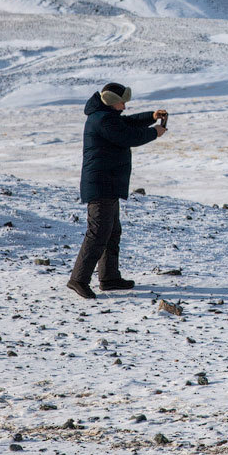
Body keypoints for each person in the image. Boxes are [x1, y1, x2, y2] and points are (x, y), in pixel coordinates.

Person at [67, 82, 167, 299]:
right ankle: (78, 279)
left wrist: (151, 116)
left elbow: (127, 123)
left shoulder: (105, 116)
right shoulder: (102, 119)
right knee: (98, 233)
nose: (124, 106)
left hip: (108, 183)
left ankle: (110, 278)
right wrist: (154, 133)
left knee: (111, 232)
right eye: (122, 102)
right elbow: (128, 136)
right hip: (101, 184)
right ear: (112, 101)